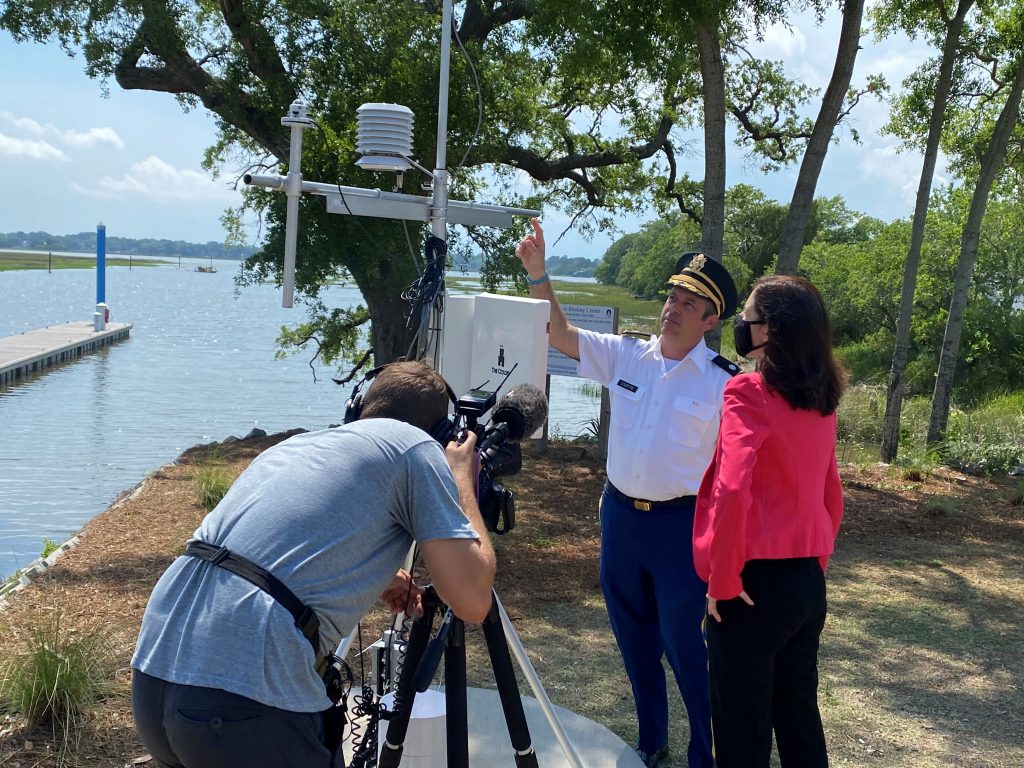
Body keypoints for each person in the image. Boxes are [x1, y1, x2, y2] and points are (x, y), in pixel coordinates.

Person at [130, 360, 496, 768]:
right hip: (244, 697)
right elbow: (471, 600)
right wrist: (461, 476)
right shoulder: (417, 448)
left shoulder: (299, 445)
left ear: (357, 410)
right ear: (440, 434)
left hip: (155, 677)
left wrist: (377, 578)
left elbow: (268, 548)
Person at [516, 218, 738, 768]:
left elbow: (736, 470)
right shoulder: (627, 355)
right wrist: (539, 276)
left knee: (688, 649)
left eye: (690, 302)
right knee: (635, 643)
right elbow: (561, 336)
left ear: (711, 320)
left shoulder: (724, 382)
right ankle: (650, 741)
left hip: (680, 529)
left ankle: (705, 756)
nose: (674, 306)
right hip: (620, 519)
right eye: (673, 295)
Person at [693, 275, 847, 768]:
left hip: (751, 583)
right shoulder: (823, 401)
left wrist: (722, 577)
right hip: (805, 582)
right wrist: (814, 564)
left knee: (741, 732)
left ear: (771, 332)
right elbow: (831, 495)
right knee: (799, 717)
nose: (741, 326)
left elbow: (731, 488)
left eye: (749, 320)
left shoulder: (748, 392)